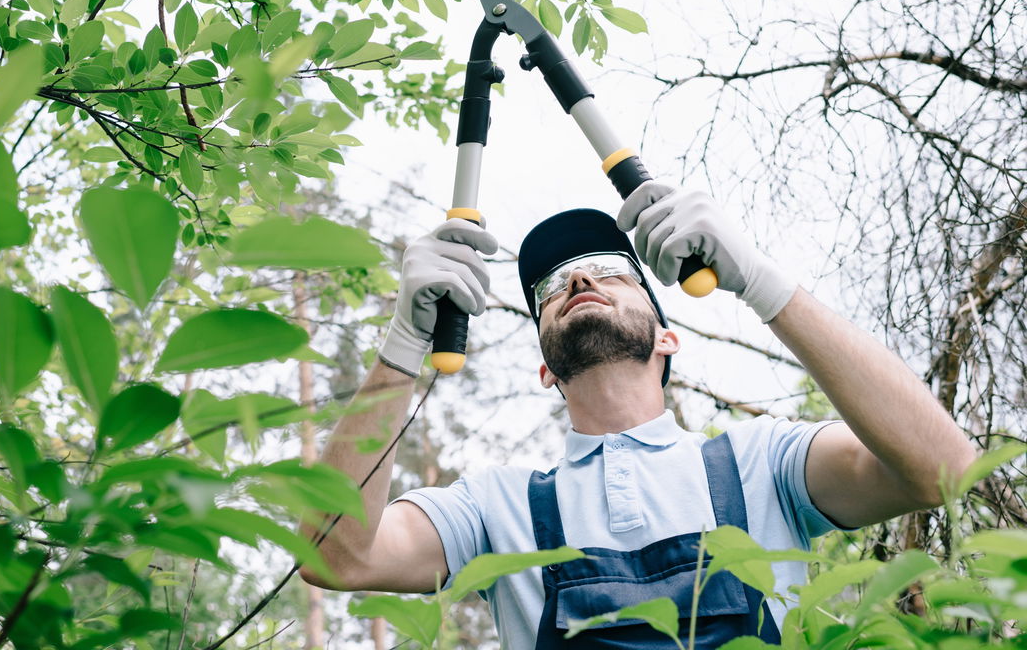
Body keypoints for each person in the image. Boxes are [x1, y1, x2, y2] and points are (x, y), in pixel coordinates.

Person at [299, 182, 975, 649]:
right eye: (551, 288)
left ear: (667, 337)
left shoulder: (762, 463)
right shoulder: (493, 507)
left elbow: (942, 468)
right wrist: (402, 345)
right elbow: (334, 557)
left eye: (608, 271)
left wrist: (760, 279)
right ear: (545, 369)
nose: (577, 280)